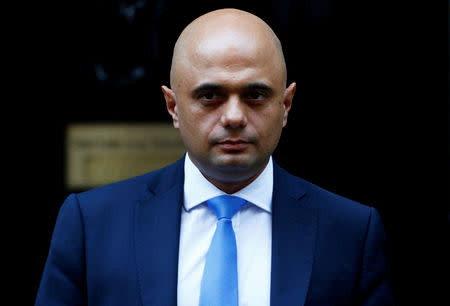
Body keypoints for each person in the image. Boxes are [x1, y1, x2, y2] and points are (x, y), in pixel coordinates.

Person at [36, 8, 395, 306]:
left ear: (285, 105)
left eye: (255, 94)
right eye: (210, 96)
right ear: (173, 107)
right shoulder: (92, 225)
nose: (234, 116)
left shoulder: (351, 232)